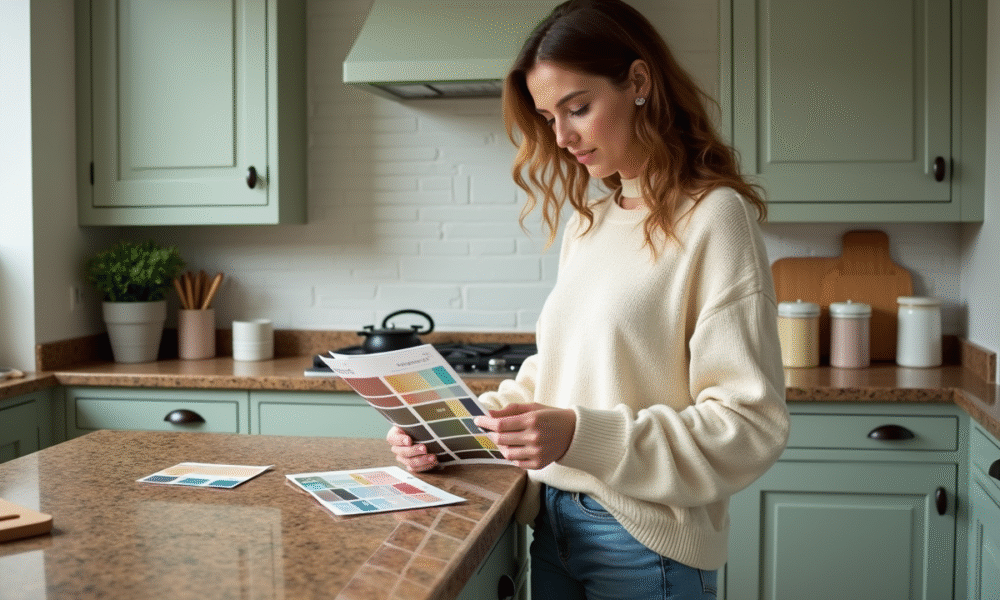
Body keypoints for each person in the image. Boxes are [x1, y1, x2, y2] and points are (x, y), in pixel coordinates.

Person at [387, 1, 790, 598]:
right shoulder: (591, 219)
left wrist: (581, 435)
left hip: (644, 544)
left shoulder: (712, 218)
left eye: (578, 108)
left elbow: (747, 424)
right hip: (553, 525)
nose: (561, 136)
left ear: (638, 83)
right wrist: (449, 431)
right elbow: (554, 379)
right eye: (549, 116)